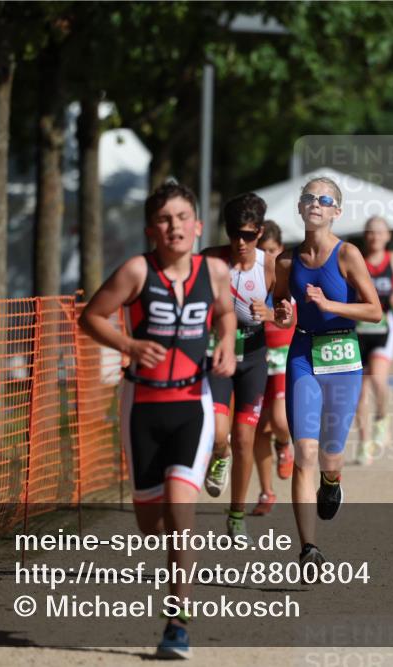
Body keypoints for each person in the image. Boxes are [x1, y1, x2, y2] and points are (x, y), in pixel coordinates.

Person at [79, 182, 236, 659]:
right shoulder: (135, 271)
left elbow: (226, 312)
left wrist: (226, 340)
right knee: (151, 521)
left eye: (183, 217)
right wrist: (127, 346)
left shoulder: (215, 271)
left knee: (181, 509)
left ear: (198, 226)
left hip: (193, 403)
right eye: (165, 219)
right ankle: (170, 552)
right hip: (142, 405)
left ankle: (177, 622)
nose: (175, 226)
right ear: (152, 230)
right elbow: (92, 317)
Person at [272, 176, 382, 569]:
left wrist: (332, 304)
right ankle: (308, 549)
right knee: (305, 452)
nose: (315, 203)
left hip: (343, 357)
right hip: (303, 353)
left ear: (336, 211)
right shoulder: (285, 261)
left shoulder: (349, 254)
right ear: (300, 208)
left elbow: (374, 311)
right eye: (309, 198)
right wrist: (281, 313)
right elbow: (281, 308)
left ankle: (332, 482)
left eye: (324, 199)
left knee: (329, 459)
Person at [200, 193, 275, 538]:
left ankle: (236, 513)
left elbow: (290, 316)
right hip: (218, 355)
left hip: (256, 357)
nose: (240, 242)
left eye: (248, 235)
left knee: (245, 437)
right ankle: (220, 453)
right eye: (234, 233)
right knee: (219, 435)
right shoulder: (210, 260)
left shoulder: (271, 265)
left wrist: (273, 314)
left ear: (259, 232)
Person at [353, 216, 393, 465]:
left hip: (383, 328)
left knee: (378, 378)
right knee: (359, 391)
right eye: (370, 232)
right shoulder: (356, 260)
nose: (375, 237)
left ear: (388, 236)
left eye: (379, 233)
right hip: (358, 329)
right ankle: (365, 442)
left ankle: (383, 418)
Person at [250, 220, 295, 516]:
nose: (266, 256)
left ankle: (285, 443)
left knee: (279, 419)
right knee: (256, 429)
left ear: (280, 249)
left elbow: (292, 318)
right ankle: (266, 491)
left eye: (271, 250)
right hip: (254, 353)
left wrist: (270, 315)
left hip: (282, 352)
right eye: (261, 250)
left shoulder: (287, 275)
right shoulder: (248, 274)